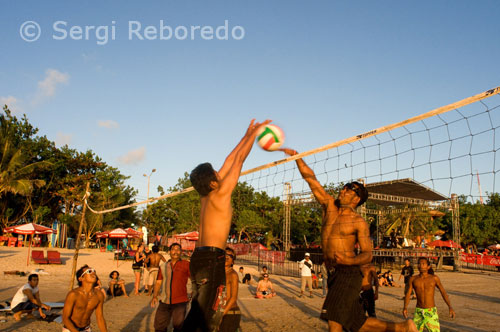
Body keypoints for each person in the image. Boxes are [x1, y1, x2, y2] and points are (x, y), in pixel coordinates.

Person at [282, 148, 417, 332]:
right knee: (359, 324)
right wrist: (297, 157)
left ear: (356, 198)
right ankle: (403, 328)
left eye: (349, 189)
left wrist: (348, 260)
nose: (343, 190)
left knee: (334, 324)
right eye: (345, 187)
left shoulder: (358, 222)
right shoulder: (329, 206)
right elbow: (311, 180)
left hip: (349, 272)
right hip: (334, 273)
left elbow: (368, 255)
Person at [183, 119, 271, 332]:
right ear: (213, 181)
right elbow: (238, 160)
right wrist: (256, 134)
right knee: (204, 319)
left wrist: (246, 134)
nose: (219, 173)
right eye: (215, 173)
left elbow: (229, 158)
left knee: (197, 312)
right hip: (213, 259)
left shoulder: (205, 197)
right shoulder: (221, 193)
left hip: (197, 258)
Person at [403, 257, 455, 332]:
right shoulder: (413, 279)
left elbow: (443, 292)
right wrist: (405, 307)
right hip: (419, 311)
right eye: (419, 264)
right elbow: (408, 294)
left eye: (423, 264)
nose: (421, 266)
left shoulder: (434, 278)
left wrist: (450, 307)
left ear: (428, 267)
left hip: (431, 311)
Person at [151, 242, 191, 332]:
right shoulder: (163, 266)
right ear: (169, 251)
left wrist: (193, 292)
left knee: (178, 326)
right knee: (159, 326)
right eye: (173, 249)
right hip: (164, 301)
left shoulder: (186, 264)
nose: (175, 252)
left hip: (180, 302)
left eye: (178, 250)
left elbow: (194, 279)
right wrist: (154, 296)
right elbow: (158, 282)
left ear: (181, 252)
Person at [63, 265, 107, 332]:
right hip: (70, 329)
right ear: (81, 278)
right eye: (89, 271)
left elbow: (100, 318)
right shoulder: (73, 294)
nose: (93, 273)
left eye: (94, 271)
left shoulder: (99, 295)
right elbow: (65, 318)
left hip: (86, 329)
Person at [219, 247, 241, 332]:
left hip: (230, 312)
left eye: (230, 256)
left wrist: (221, 315)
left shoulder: (233, 274)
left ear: (233, 261)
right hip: (220, 311)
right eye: (225, 255)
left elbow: (233, 298)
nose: (226, 257)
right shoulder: (218, 273)